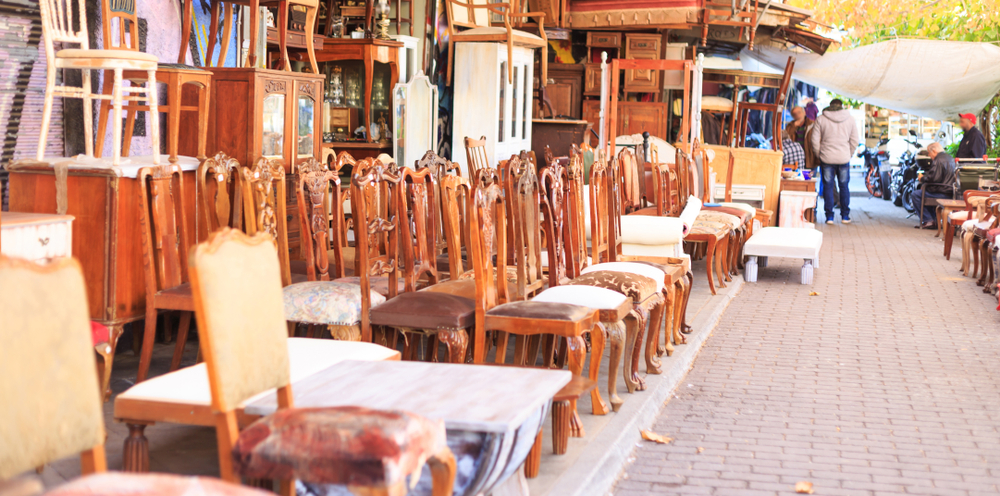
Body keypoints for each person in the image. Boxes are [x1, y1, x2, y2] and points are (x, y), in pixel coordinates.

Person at [810, 99, 859, 225]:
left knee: (828, 187)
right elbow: (854, 140)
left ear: (830, 106)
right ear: (841, 106)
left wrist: (819, 154)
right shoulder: (850, 119)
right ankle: (845, 216)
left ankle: (829, 217)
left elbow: (814, 140)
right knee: (844, 187)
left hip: (826, 158)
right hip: (843, 158)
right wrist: (849, 154)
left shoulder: (821, 119)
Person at [912, 142, 957, 229]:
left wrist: (922, 179)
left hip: (941, 192)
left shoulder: (938, 160)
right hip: (950, 191)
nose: (929, 155)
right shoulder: (950, 158)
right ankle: (934, 221)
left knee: (916, 195)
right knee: (923, 192)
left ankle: (928, 220)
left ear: (934, 151)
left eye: (929, 153)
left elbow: (933, 179)